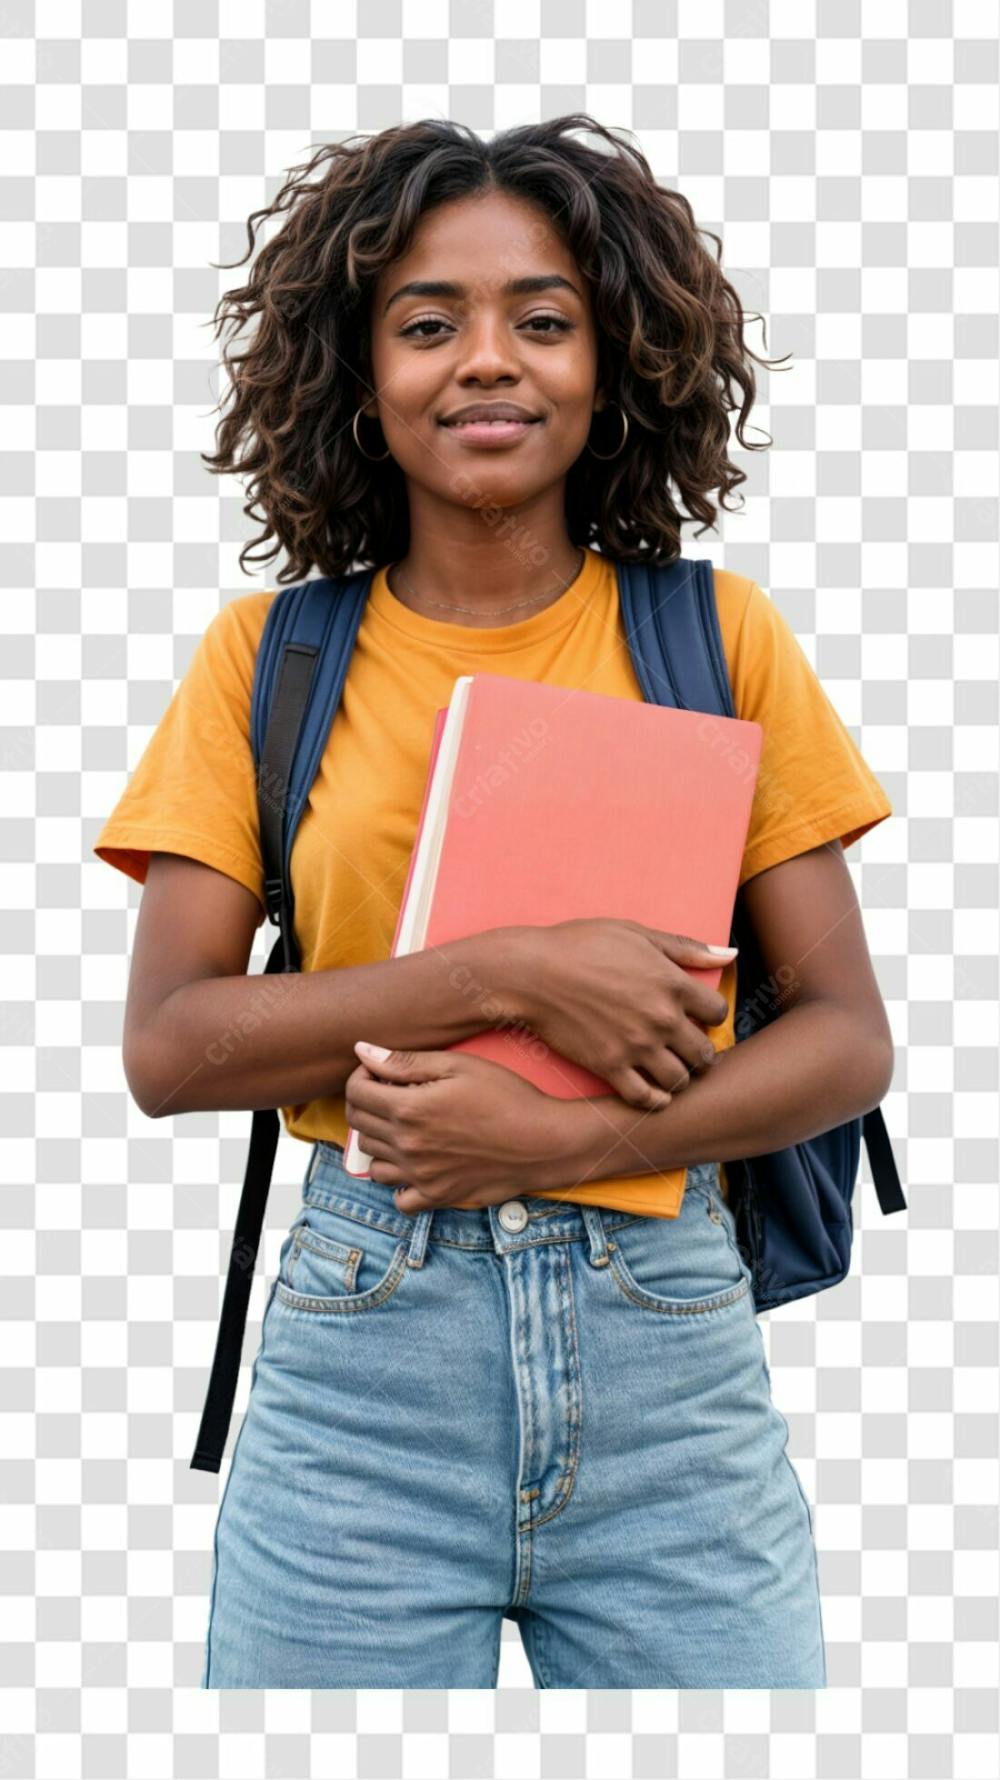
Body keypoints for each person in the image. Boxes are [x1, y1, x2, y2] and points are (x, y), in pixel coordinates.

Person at [93, 115, 894, 1689]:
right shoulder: (269, 664)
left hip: (668, 1342)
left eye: (542, 319)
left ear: (612, 363)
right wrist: (515, 971)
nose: (487, 362)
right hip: (362, 1365)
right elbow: (171, 1049)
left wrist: (588, 1142)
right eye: (427, 322)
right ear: (356, 368)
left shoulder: (716, 638)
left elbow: (851, 1042)